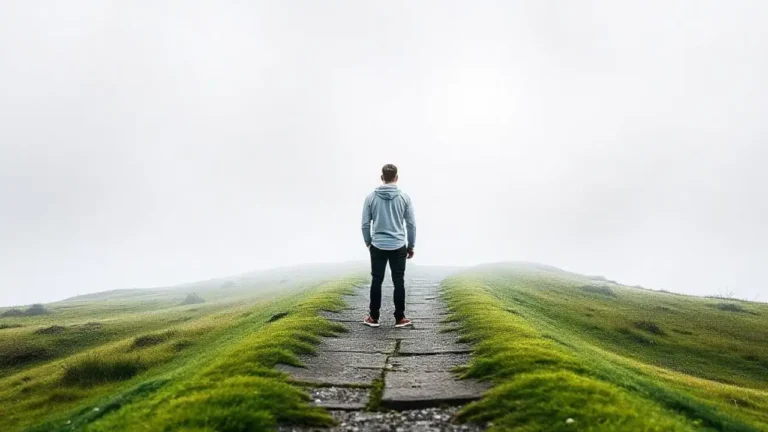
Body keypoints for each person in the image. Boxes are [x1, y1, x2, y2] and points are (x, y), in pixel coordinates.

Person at [361, 164, 416, 328]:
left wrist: (368, 242)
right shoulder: (404, 198)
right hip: (398, 245)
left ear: (382, 177)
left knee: (376, 280)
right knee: (398, 281)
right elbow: (411, 225)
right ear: (396, 178)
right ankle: (400, 318)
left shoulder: (371, 198)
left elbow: (365, 224)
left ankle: (373, 317)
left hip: (377, 245)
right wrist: (411, 245)